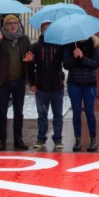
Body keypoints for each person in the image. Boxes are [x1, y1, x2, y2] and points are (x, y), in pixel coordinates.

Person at [0, 14, 34, 151]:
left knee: (18, 112)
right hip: (3, 82)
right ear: (5, 26)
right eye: (10, 23)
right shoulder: (0, 38)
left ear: (19, 24)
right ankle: (2, 140)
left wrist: (30, 59)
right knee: (2, 111)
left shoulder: (24, 39)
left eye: (15, 23)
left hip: (19, 81)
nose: (13, 25)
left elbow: (30, 56)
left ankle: (18, 139)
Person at [28, 21, 68, 150]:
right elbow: (30, 66)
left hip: (57, 86)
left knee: (58, 114)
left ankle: (57, 138)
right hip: (41, 87)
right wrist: (31, 83)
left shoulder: (60, 46)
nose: (47, 31)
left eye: (50, 29)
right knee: (42, 114)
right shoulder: (35, 46)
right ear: (41, 31)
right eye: (45, 29)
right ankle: (41, 138)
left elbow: (66, 63)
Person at [64, 35, 99, 151]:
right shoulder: (70, 44)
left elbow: (95, 64)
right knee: (76, 112)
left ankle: (93, 139)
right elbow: (66, 64)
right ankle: (77, 139)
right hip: (74, 82)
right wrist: (74, 57)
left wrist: (82, 57)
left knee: (90, 111)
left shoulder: (93, 44)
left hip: (89, 83)